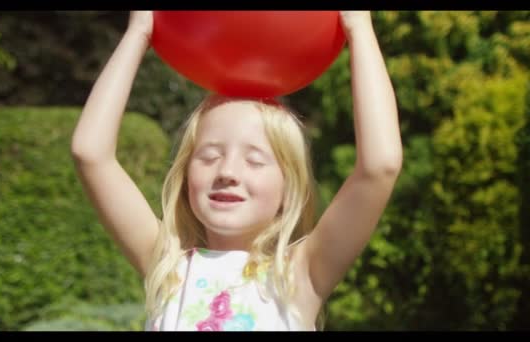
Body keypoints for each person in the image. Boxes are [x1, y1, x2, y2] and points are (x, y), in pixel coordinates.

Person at [71, 10, 402, 331]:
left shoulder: (300, 275)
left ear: (289, 190)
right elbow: (90, 153)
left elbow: (380, 166)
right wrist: (139, 32)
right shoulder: (167, 265)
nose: (227, 170)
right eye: (209, 156)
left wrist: (359, 27)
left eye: (255, 160)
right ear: (185, 177)